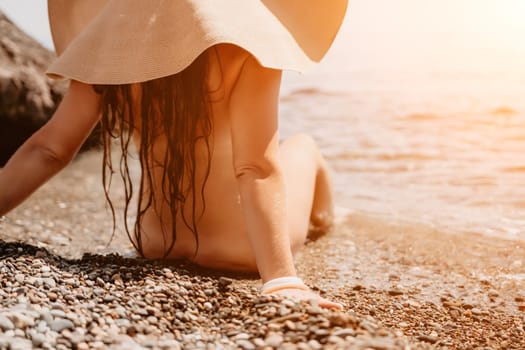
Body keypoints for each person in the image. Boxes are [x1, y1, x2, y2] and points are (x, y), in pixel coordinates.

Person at [0, 0, 347, 309]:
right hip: (243, 249)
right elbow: (255, 167)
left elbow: (49, 149)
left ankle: (331, 222)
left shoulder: (111, 48)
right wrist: (282, 280)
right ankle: (330, 221)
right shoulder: (248, 44)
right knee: (302, 145)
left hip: (156, 242)